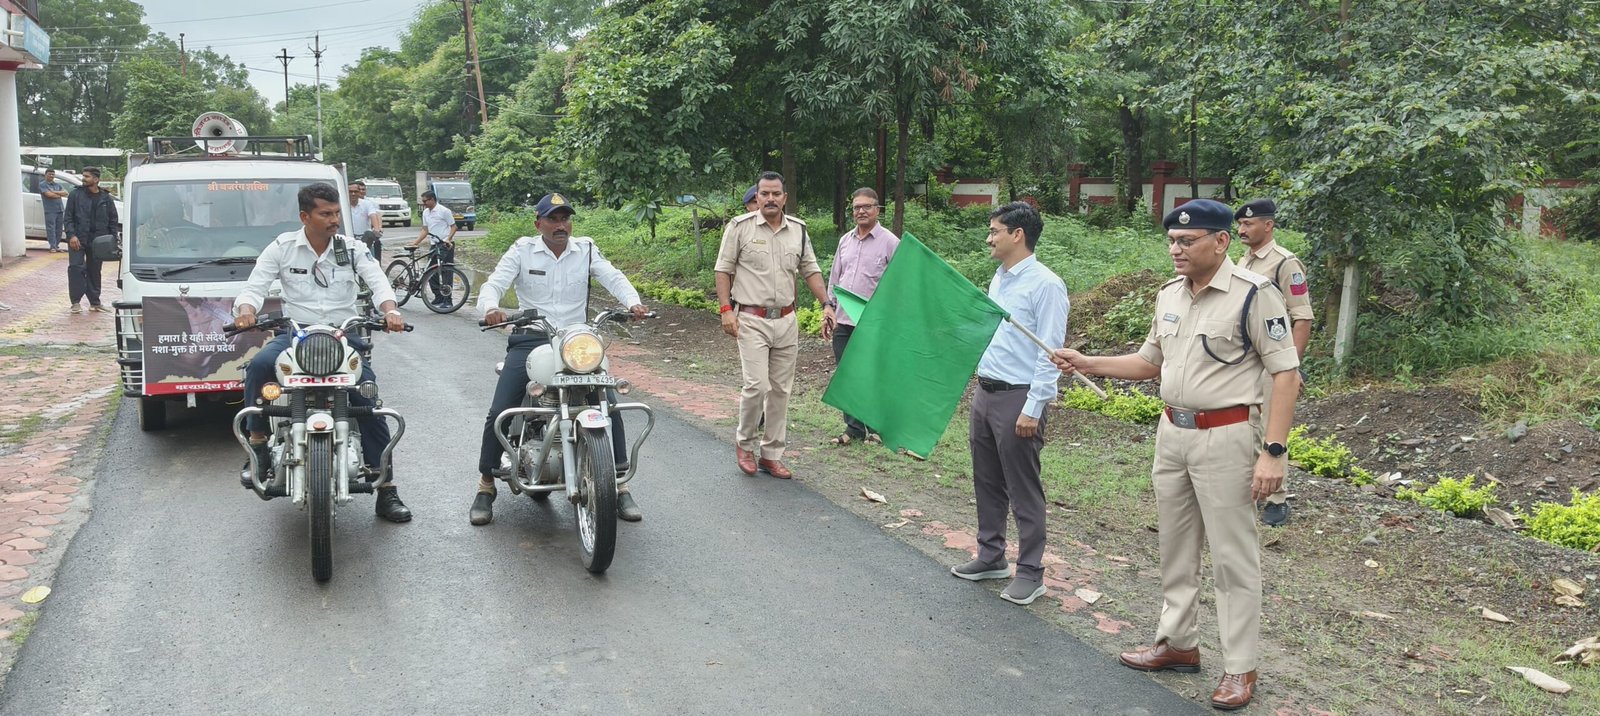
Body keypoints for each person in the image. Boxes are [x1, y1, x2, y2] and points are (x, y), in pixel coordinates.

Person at [1051, 199, 1298, 711]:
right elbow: (1149, 362)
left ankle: (1240, 666)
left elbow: (1286, 375)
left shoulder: (1255, 295)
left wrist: (1274, 452)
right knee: (1176, 545)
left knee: (1232, 556)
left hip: (1227, 436)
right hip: (1173, 433)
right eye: (1171, 241)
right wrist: (1088, 362)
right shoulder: (1170, 294)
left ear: (1221, 241)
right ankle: (1178, 643)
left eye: (1187, 241)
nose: (1176, 250)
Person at [232, 182, 413, 523]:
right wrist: (246, 310)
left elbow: (377, 281)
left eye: (336, 213)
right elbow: (254, 286)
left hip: (343, 336)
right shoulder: (283, 247)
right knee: (258, 367)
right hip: (296, 336)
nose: (334, 220)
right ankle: (258, 444)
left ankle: (386, 488)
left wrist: (390, 310)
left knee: (367, 399)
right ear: (305, 216)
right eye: (325, 214)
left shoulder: (352, 248)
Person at [470, 192, 650, 525]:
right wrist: (491, 308)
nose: (560, 225)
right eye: (552, 219)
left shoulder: (586, 249)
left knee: (608, 403)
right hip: (532, 338)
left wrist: (632, 302)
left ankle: (619, 484)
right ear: (538, 223)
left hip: (576, 342)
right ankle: (485, 485)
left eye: (565, 218)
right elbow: (494, 283)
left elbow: (613, 276)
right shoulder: (522, 250)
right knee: (501, 409)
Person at [948, 202, 1068, 607]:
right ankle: (991, 555)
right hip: (987, 391)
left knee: (1022, 486)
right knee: (986, 478)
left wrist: (1034, 406)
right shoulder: (999, 278)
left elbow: (1051, 352)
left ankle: (1031, 572)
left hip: (1019, 395)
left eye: (994, 231)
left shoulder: (1046, 285)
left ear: (1018, 235)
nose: (988, 239)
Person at [714, 171, 829, 479]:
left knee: (780, 390)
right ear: (757, 197)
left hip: (787, 320)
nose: (770, 199)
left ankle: (771, 454)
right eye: (764, 193)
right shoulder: (740, 227)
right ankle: (745, 444)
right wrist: (726, 310)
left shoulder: (798, 230)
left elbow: (810, 270)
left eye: (776, 193)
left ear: (784, 198)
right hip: (751, 319)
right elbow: (723, 270)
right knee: (756, 385)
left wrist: (826, 304)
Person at [1234, 198, 1313, 527]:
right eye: (1240, 224)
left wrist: (1290, 367)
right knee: (1242, 423)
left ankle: (1277, 499)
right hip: (1244, 360)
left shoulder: (1285, 263)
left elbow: (1302, 317)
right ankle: (1249, 487)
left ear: (1268, 225)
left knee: (1272, 427)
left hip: (1272, 360)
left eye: (1248, 224)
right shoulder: (1243, 260)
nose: (1242, 230)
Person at [820, 188, 900, 445]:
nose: (861, 211)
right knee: (847, 376)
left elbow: (899, 284)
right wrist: (828, 309)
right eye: (856, 207)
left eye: (867, 206)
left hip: (873, 324)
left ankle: (877, 429)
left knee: (873, 376)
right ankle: (854, 429)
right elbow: (835, 279)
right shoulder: (846, 240)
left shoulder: (890, 242)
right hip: (843, 320)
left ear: (877, 209)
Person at [62, 167, 118, 315]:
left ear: (96, 179)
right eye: (83, 176)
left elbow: (113, 220)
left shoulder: (106, 198)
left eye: (87, 176)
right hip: (77, 239)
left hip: (98, 241)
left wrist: (112, 240)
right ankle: (75, 302)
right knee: (76, 268)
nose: (84, 178)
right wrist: (71, 236)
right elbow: (68, 218)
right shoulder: (75, 195)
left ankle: (95, 302)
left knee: (95, 271)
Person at [409, 191, 459, 308]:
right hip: (434, 244)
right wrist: (416, 242)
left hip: (445, 244)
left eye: (425, 201)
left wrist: (448, 239)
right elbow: (425, 230)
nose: (424, 203)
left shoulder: (444, 211)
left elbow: (454, 227)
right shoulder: (426, 213)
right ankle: (438, 296)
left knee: (446, 271)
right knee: (430, 271)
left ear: (432, 199)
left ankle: (447, 300)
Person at [347, 180, 383, 260]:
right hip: (348, 239)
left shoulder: (367, 203)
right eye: (350, 191)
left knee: (370, 262)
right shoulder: (342, 204)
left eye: (355, 191)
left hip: (365, 239)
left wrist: (376, 229)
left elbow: (373, 215)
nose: (353, 194)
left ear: (359, 192)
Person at [37, 169, 68, 252]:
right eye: (49, 174)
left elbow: (66, 193)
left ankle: (56, 245)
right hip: (50, 210)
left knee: (59, 229)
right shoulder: (43, 184)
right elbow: (49, 195)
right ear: (45, 175)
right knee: (51, 228)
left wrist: (54, 191)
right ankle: (52, 246)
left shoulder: (57, 184)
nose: (51, 176)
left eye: (53, 174)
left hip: (60, 209)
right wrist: (59, 194)